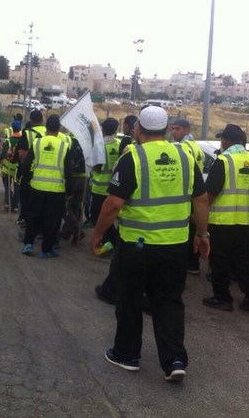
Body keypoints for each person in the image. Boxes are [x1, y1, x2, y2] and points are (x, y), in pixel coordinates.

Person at [90, 106, 209, 382]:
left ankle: (126, 354)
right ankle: (175, 359)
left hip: (136, 247)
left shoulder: (133, 157)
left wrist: (97, 234)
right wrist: (203, 235)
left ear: (137, 130)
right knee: (169, 302)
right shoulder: (185, 157)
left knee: (130, 299)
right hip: (175, 246)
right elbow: (201, 201)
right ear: (167, 131)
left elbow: (113, 204)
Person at [202, 124, 249, 312]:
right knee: (244, 260)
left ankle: (223, 298)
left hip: (221, 220)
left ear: (226, 141)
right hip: (244, 220)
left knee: (220, 260)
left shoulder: (224, 160)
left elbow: (211, 193)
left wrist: (201, 213)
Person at [22, 114, 71, 258]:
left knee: (33, 217)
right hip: (57, 191)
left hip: (37, 187)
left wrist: (27, 179)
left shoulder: (37, 143)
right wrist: (69, 191)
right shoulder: (64, 146)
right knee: (52, 220)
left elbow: (26, 163)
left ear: (46, 127)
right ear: (59, 129)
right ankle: (46, 250)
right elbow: (68, 171)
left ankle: (28, 244)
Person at [170, 117, 205, 275]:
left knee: (187, 230)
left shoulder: (182, 147)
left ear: (186, 130)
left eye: (177, 129)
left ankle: (189, 263)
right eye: (172, 128)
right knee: (192, 229)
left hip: (186, 194)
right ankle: (193, 262)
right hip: (194, 192)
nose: (174, 132)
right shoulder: (195, 146)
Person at [89, 118, 121, 252]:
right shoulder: (119, 144)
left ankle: (110, 241)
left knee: (98, 216)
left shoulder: (100, 145)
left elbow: (97, 167)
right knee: (109, 216)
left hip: (99, 187)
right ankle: (112, 240)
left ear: (103, 129)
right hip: (113, 187)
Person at [17, 110, 47, 227]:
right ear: (42, 120)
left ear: (31, 120)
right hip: (44, 172)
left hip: (30, 172)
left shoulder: (28, 133)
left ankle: (25, 221)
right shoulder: (49, 132)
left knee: (26, 199)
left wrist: (25, 169)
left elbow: (22, 155)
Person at [60, 133, 87, 244]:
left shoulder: (69, 141)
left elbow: (67, 162)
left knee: (63, 206)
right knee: (75, 207)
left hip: (72, 178)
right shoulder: (86, 142)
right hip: (84, 177)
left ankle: (77, 230)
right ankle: (67, 233)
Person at [0, 120, 22, 212]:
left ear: (12, 129)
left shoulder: (8, 141)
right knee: (17, 187)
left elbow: (2, 155)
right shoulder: (23, 140)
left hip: (8, 168)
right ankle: (16, 206)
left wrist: (1, 161)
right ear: (20, 128)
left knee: (7, 186)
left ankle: (8, 203)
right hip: (18, 169)